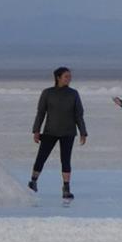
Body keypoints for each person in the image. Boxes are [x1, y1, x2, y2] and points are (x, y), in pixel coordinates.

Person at [28, 66, 87, 199]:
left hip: (68, 132)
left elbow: (79, 114)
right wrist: (36, 130)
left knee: (65, 160)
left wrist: (83, 132)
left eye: (70, 76)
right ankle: (33, 181)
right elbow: (41, 113)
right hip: (50, 131)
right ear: (58, 78)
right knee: (41, 157)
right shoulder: (48, 93)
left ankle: (66, 188)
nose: (69, 79)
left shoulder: (73, 94)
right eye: (66, 76)